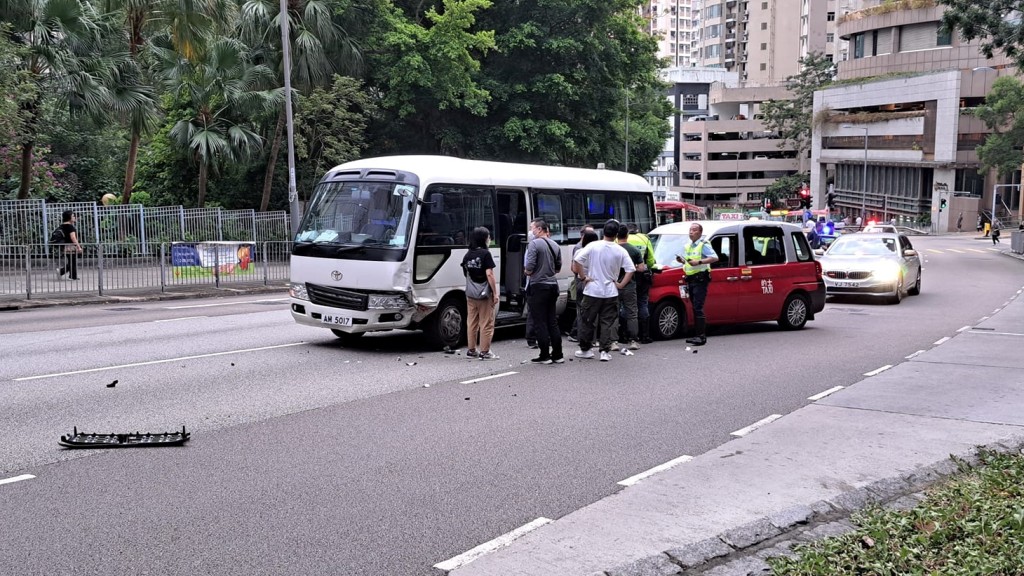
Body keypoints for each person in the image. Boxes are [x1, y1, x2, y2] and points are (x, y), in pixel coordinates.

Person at [572, 221, 635, 362]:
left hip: (592, 290)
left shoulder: (593, 246)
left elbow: (577, 260)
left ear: (603, 231)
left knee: (587, 320)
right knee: (607, 322)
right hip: (611, 292)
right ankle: (605, 351)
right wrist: (620, 284)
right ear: (617, 234)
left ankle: (586, 349)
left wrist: (583, 277)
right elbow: (631, 269)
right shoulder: (620, 250)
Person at [524, 218, 563, 364]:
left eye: (532, 228)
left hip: (538, 286)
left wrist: (527, 271)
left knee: (539, 321)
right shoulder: (555, 245)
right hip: (553, 285)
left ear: (539, 229)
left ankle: (544, 355)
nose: (531, 231)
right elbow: (558, 267)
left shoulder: (534, 244)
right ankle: (558, 354)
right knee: (552, 320)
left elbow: (530, 266)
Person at [675, 223, 718, 346]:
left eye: (694, 230)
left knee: (698, 307)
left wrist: (699, 262)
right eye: (690, 230)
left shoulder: (703, 244)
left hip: (700, 279)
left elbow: (714, 258)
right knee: (695, 307)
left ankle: (701, 336)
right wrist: (682, 261)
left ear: (700, 232)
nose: (691, 232)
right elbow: (690, 262)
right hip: (691, 279)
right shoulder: (689, 246)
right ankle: (697, 335)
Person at [462, 227, 499, 360]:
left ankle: (471, 349)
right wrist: (495, 293)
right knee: (486, 323)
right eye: (488, 237)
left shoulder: (468, 254)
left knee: (471, 322)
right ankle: (485, 351)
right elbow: (489, 274)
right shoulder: (485, 254)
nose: (489, 239)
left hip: (471, 294)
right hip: (484, 294)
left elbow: (466, 272)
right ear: (484, 239)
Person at [627, 223, 659, 343]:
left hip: (626, 276)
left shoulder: (620, 239)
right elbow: (651, 260)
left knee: (627, 305)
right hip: (642, 276)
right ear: (637, 230)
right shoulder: (644, 238)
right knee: (643, 303)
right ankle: (645, 335)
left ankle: (626, 335)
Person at [615, 225, 643, 350]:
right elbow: (641, 268)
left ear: (617, 235)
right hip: (630, 286)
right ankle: (633, 340)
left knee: (612, 313)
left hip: (613, 286)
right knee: (632, 313)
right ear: (627, 235)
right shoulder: (634, 250)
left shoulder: (613, 249)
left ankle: (613, 341)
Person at [567, 225, 596, 342]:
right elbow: (574, 268)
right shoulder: (579, 248)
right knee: (584, 310)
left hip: (584, 280)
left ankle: (580, 335)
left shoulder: (583, 249)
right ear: (582, 235)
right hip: (583, 281)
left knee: (584, 310)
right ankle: (580, 335)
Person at [56, 210, 82, 280]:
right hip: (70, 246)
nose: (74, 217)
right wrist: (78, 246)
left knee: (72, 261)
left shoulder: (62, 226)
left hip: (65, 246)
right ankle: (64, 272)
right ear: (69, 217)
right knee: (72, 261)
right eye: (73, 216)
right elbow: (73, 237)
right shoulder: (70, 227)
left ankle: (70, 275)